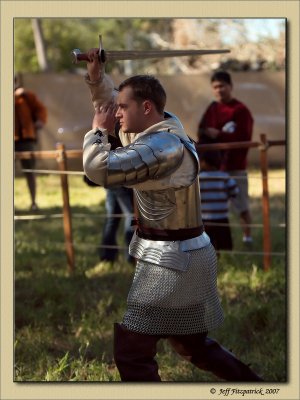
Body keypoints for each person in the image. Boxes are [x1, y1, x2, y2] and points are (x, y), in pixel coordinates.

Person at [82, 49, 263, 382]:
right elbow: (116, 103)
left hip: (170, 259)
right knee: (192, 345)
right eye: (118, 107)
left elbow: (99, 169)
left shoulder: (163, 148)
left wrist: (96, 132)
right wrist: (97, 75)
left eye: (123, 108)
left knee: (133, 351)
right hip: (188, 254)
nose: (116, 114)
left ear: (146, 108)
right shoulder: (165, 125)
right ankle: (257, 387)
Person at [197, 70, 253, 245]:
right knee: (210, 209)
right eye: (215, 87)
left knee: (241, 206)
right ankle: (211, 242)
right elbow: (202, 131)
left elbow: (244, 137)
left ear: (230, 86)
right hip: (213, 170)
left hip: (235, 166)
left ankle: (248, 238)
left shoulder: (241, 110)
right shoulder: (212, 108)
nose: (219, 90)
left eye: (222, 86)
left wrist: (219, 134)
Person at [83, 130, 135, 274]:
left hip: (110, 174)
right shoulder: (117, 123)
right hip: (120, 174)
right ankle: (132, 256)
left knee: (113, 217)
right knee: (131, 216)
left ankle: (108, 256)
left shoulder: (104, 122)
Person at [14, 75, 47, 211]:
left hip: (27, 138)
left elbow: (41, 109)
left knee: (30, 171)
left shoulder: (27, 96)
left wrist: (40, 120)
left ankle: (33, 202)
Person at [199, 150, 239, 253]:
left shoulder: (199, 178)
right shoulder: (224, 176)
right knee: (224, 242)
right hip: (222, 217)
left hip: (205, 218)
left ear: (205, 162)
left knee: (207, 244)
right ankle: (226, 258)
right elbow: (234, 191)